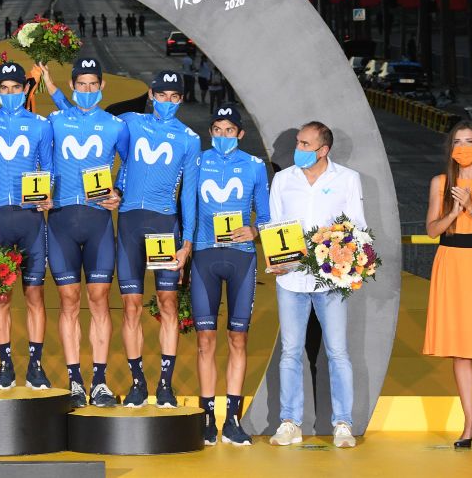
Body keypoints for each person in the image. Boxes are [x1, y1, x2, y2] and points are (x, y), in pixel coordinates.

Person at [267, 121, 363, 450]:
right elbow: (275, 224)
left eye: (306, 144)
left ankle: (343, 424)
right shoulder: (283, 179)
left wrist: (337, 260)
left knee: (337, 352)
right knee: (290, 352)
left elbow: (356, 227)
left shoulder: (347, 179)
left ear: (323, 150)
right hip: (290, 280)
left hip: (330, 282)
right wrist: (277, 259)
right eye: (298, 142)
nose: (299, 149)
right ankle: (289, 422)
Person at [42, 58, 128, 407]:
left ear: (102, 86)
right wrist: (44, 190)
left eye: (94, 84)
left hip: (98, 222)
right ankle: (75, 380)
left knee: (99, 302)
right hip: (61, 218)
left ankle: (101, 382)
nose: (88, 90)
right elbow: (42, 159)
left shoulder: (115, 125)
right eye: (82, 84)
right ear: (73, 86)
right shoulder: (55, 120)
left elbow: (131, 162)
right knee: (68, 301)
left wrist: (118, 191)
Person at [113, 72, 199, 408]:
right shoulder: (130, 122)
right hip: (131, 224)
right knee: (131, 306)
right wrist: (116, 187)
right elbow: (114, 156)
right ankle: (138, 383)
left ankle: (165, 385)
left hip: (165, 228)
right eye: (161, 95)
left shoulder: (189, 139)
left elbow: (189, 194)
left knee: (168, 305)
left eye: (174, 97)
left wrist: (187, 242)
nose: (166, 102)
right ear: (150, 94)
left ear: (181, 100)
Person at [0, 62, 55, 390]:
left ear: (25, 90)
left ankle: (36, 366)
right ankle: (6, 366)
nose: (9, 94)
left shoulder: (40, 125)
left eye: (15, 88)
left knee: (35, 295)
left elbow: (47, 169)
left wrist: (48, 198)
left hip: (31, 221)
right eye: (3, 89)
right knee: (1, 298)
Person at [192, 105, 269, 447]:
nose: (223, 136)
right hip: (204, 256)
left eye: (229, 130)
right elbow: (188, 208)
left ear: (240, 133)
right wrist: (185, 248)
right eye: (217, 129)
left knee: (238, 339)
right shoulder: (197, 160)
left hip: (241, 259)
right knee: (205, 340)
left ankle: (233, 419)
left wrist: (253, 230)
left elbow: (266, 215)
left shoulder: (254, 166)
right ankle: (207, 416)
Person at [423, 121, 472, 450]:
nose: (463, 147)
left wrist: (471, 207)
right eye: (457, 141)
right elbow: (432, 230)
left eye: (469, 141)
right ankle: (468, 421)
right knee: (460, 351)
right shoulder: (440, 182)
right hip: (449, 263)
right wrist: (454, 210)